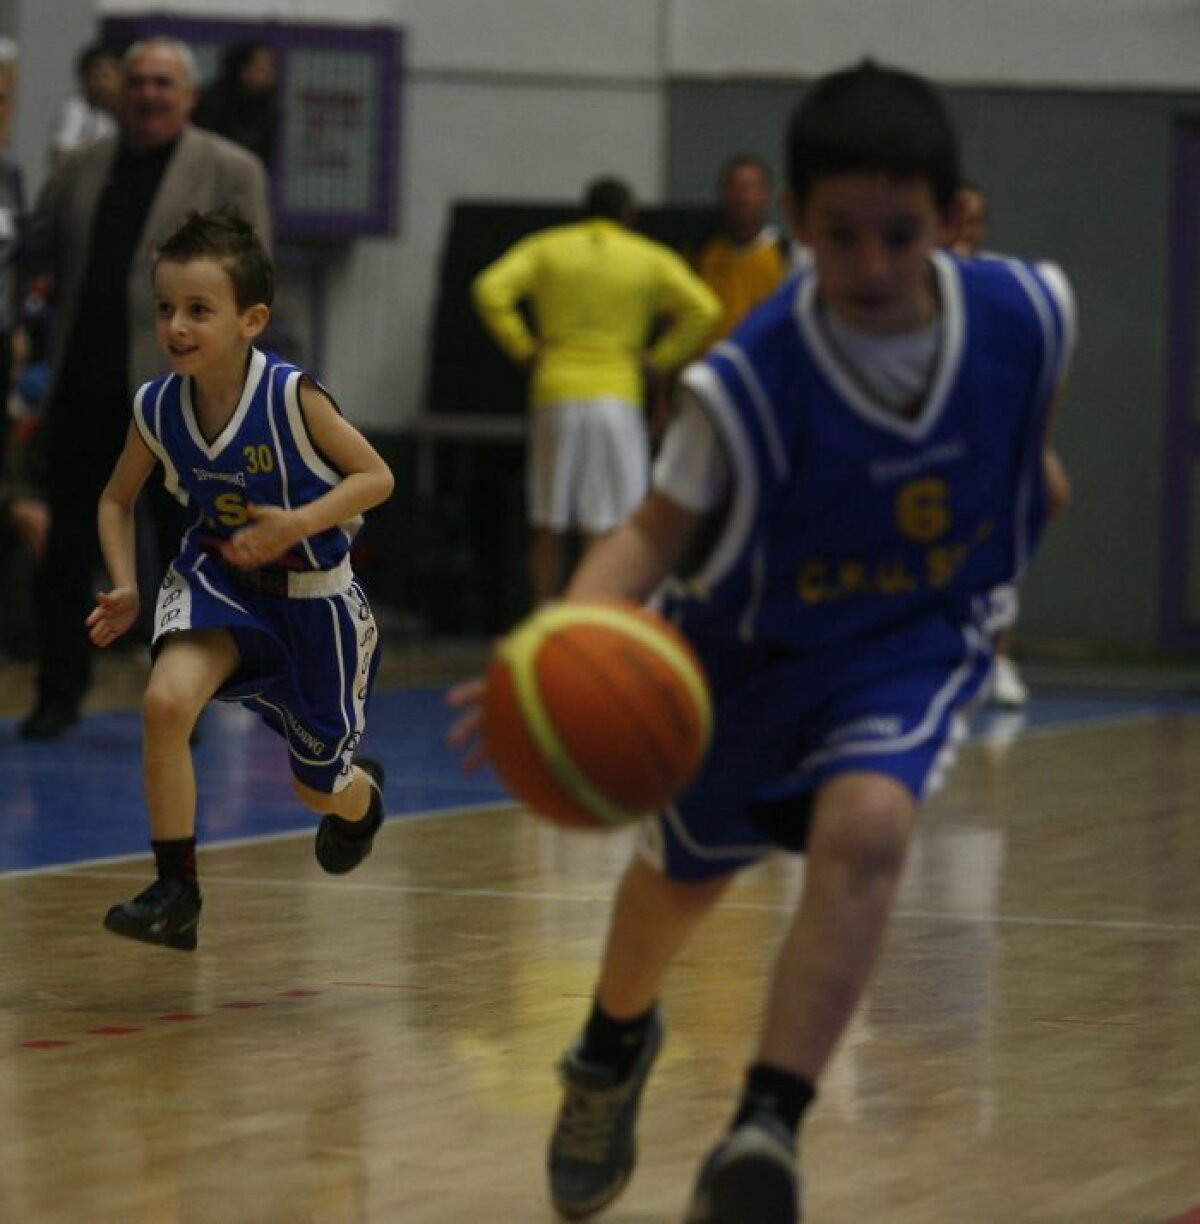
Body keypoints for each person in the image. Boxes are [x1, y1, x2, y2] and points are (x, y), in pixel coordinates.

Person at [449, 60, 1074, 1222]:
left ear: (949, 220)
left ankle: (767, 1129)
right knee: (675, 889)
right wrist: (553, 649)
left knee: (872, 825)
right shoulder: (747, 378)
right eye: (842, 235)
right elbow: (647, 533)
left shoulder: (1031, 317)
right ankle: (610, 1044)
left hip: (909, 640)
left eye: (901, 233)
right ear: (797, 220)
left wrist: (1002, 552)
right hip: (749, 656)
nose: (873, 264)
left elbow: (1035, 471)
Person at [89, 210, 394, 951]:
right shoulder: (157, 406)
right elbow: (115, 499)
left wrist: (296, 524)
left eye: (199, 310)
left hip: (314, 604)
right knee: (165, 703)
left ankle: (363, 800)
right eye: (166, 309)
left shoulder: (293, 398)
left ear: (251, 318)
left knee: (315, 789)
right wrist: (127, 585)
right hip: (219, 581)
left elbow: (376, 477)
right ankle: (176, 891)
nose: (178, 327)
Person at [17, 36, 272, 740]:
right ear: (118, 92)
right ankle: (56, 693)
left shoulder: (231, 168)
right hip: (87, 387)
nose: (150, 94)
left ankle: (179, 697)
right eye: (139, 82)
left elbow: (254, 283)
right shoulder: (83, 169)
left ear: (188, 96)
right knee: (66, 552)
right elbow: (33, 243)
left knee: (185, 554)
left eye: (164, 83)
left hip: (185, 400)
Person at [471, 177, 720, 606]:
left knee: (548, 519)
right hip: (617, 395)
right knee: (604, 519)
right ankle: (591, 618)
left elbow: (489, 289)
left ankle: (544, 619)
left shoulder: (548, 247)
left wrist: (524, 347)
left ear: (584, 211)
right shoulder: (647, 256)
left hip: (555, 390)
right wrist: (658, 360)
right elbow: (706, 307)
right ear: (628, 216)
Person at [947, 179, 1041, 708]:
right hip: (931, 442)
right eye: (957, 217)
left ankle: (998, 659)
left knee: (1002, 549)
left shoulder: (1004, 283)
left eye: (974, 219)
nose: (966, 228)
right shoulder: (913, 280)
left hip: (990, 434)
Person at [694, 153, 791, 342]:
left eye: (750, 188)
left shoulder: (787, 254)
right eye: (734, 188)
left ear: (766, 195)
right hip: (709, 364)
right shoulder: (700, 252)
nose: (742, 197)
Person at [193, 40, 280, 171]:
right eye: (263, 68)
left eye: (271, 67)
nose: (270, 75)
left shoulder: (268, 110)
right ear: (243, 72)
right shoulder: (209, 104)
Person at [47, 41, 121, 168]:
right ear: (86, 77)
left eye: (113, 74)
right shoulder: (75, 109)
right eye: (102, 74)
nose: (108, 81)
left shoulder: (119, 112)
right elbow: (61, 156)